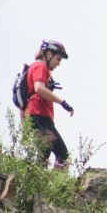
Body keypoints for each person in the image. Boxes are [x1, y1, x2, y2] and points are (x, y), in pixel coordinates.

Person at [24, 40, 74, 169]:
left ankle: (45, 186)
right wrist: (62, 102)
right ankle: (40, 185)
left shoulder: (38, 68)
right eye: (58, 59)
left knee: (54, 155)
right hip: (38, 116)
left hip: (41, 117)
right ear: (49, 54)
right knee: (54, 153)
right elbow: (39, 89)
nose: (58, 63)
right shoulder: (41, 66)